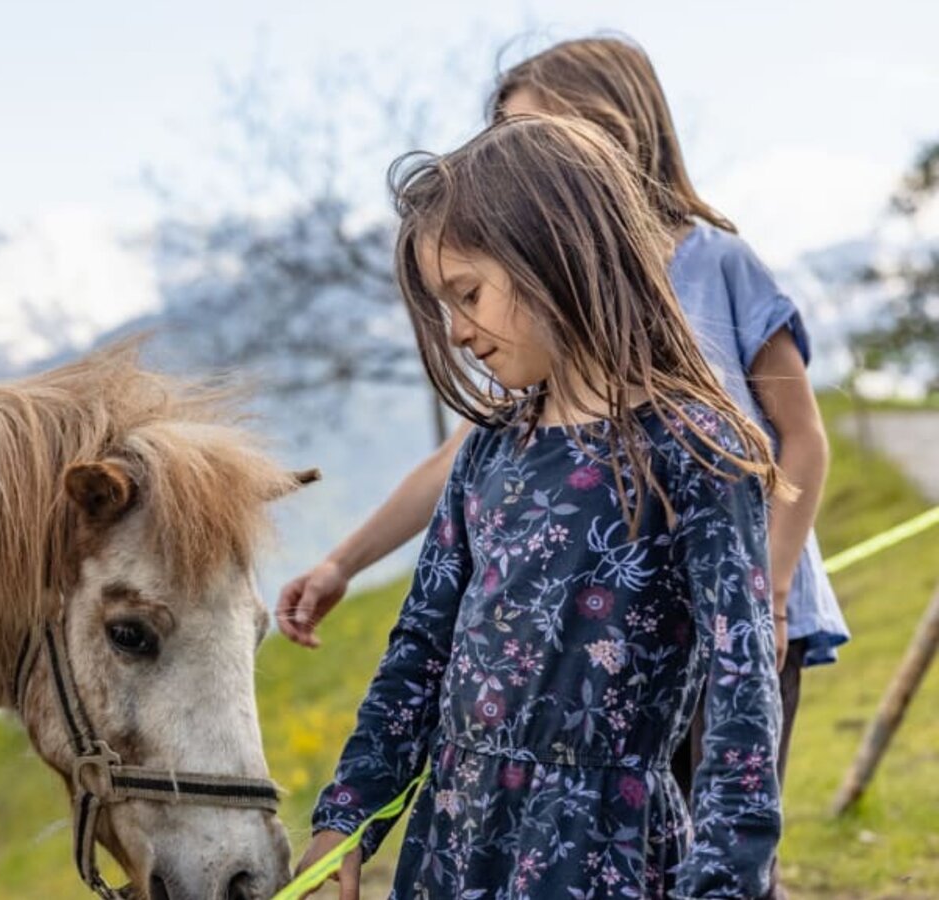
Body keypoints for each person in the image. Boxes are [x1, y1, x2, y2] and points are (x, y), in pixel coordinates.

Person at [280, 39, 847, 896]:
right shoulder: (487, 452)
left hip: (602, 857)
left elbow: (740, 704)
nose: (460, 332)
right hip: (454, 848)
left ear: (553, 250)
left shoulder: (690, 449)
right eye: (444, 308)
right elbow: (420, 650)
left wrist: (726, 878)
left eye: (468, 295)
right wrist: (351, 814)